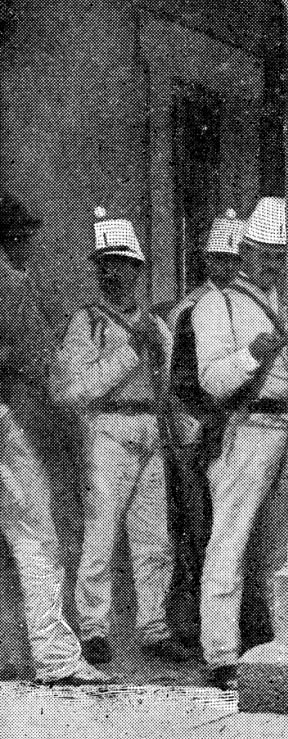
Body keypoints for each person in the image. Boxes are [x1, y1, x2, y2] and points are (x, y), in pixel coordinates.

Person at [54, 208, 188, 667]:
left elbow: (167, 383)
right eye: (110, 264)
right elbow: (70, 391)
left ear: (138, 271)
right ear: (99, 270)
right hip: (106, 430)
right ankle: (93, 629)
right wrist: (126, 358)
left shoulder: (155, 326)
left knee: (154, 539)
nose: (120, 274)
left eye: (128, 265)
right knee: (102, 533)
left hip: (151, 426)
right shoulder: (86, 323)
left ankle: (154, 628)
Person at [0, 195, 109, 685]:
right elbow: (42, 363)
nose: (28, 247)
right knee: (36, 539)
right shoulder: (12, 284)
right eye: (24, 237)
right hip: (8, 417)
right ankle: (56, 660)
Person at [192, 196, 288, 689]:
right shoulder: (218, 304)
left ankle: (281, 640)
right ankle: (221, 652)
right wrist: (253, 354)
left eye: (280, 254)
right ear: (245, 250)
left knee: (282, 544)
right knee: (230, 539)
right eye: (265, 253)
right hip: (246, 426)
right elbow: (211, 379)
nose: (273, 263)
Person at [164, 208, 246, 648]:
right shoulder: (194, 308)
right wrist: (196, 428)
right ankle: (188, 627)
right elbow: (183, 381)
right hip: (199, 426)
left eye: (232, 258)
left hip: (231, 423)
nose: (225, 266)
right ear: (207, 260)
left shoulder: (251, 301)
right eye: (218, 258)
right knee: (195, 530)